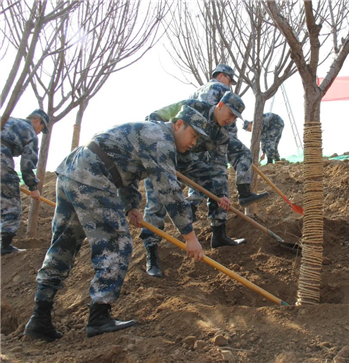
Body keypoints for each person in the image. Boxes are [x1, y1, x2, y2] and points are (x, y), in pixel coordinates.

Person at [24, 106, 209, 341]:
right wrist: (190, 237)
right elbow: (169, 189)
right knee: (117, 245)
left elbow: (124, 168)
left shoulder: (147, 132)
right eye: (193, 135)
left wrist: (131, 205)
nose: (194, 143)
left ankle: (39, 318)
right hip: (93, 177)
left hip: (73, 171)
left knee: (63, 245)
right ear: (178, 124)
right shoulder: (161, 139)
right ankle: (99, 317)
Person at [142, 92, 249, 277]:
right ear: (220, 105)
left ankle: (218, 232)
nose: (231, 120)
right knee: (157, 203)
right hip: (162, 157)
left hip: (188, 161)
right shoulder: (191, 106)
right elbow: (152, 118)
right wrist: (162, 147)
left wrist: (219, 194)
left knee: (211, 181)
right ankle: (151, 254)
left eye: (235, 118)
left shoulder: (220, 134)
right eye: (230, 114)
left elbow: (216, 166)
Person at [188, 64, 268, 207]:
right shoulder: (222, 90)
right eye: (230, 80)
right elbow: (226, 123)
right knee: (241, 154)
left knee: (199, 180)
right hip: (214, 138)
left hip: (193, 140)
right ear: (220, 76)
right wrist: (232, 142)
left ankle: (191, 213)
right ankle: (244, 193)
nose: (230, 85)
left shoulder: (196, 92)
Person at [1, 109, 49, 255]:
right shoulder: (29, 131)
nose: (40, 132)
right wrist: (33, 187)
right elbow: (27, 164)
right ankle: (4, 245)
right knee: (11, 202)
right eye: (42, 128)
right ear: (37, 120)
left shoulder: (8, 120)